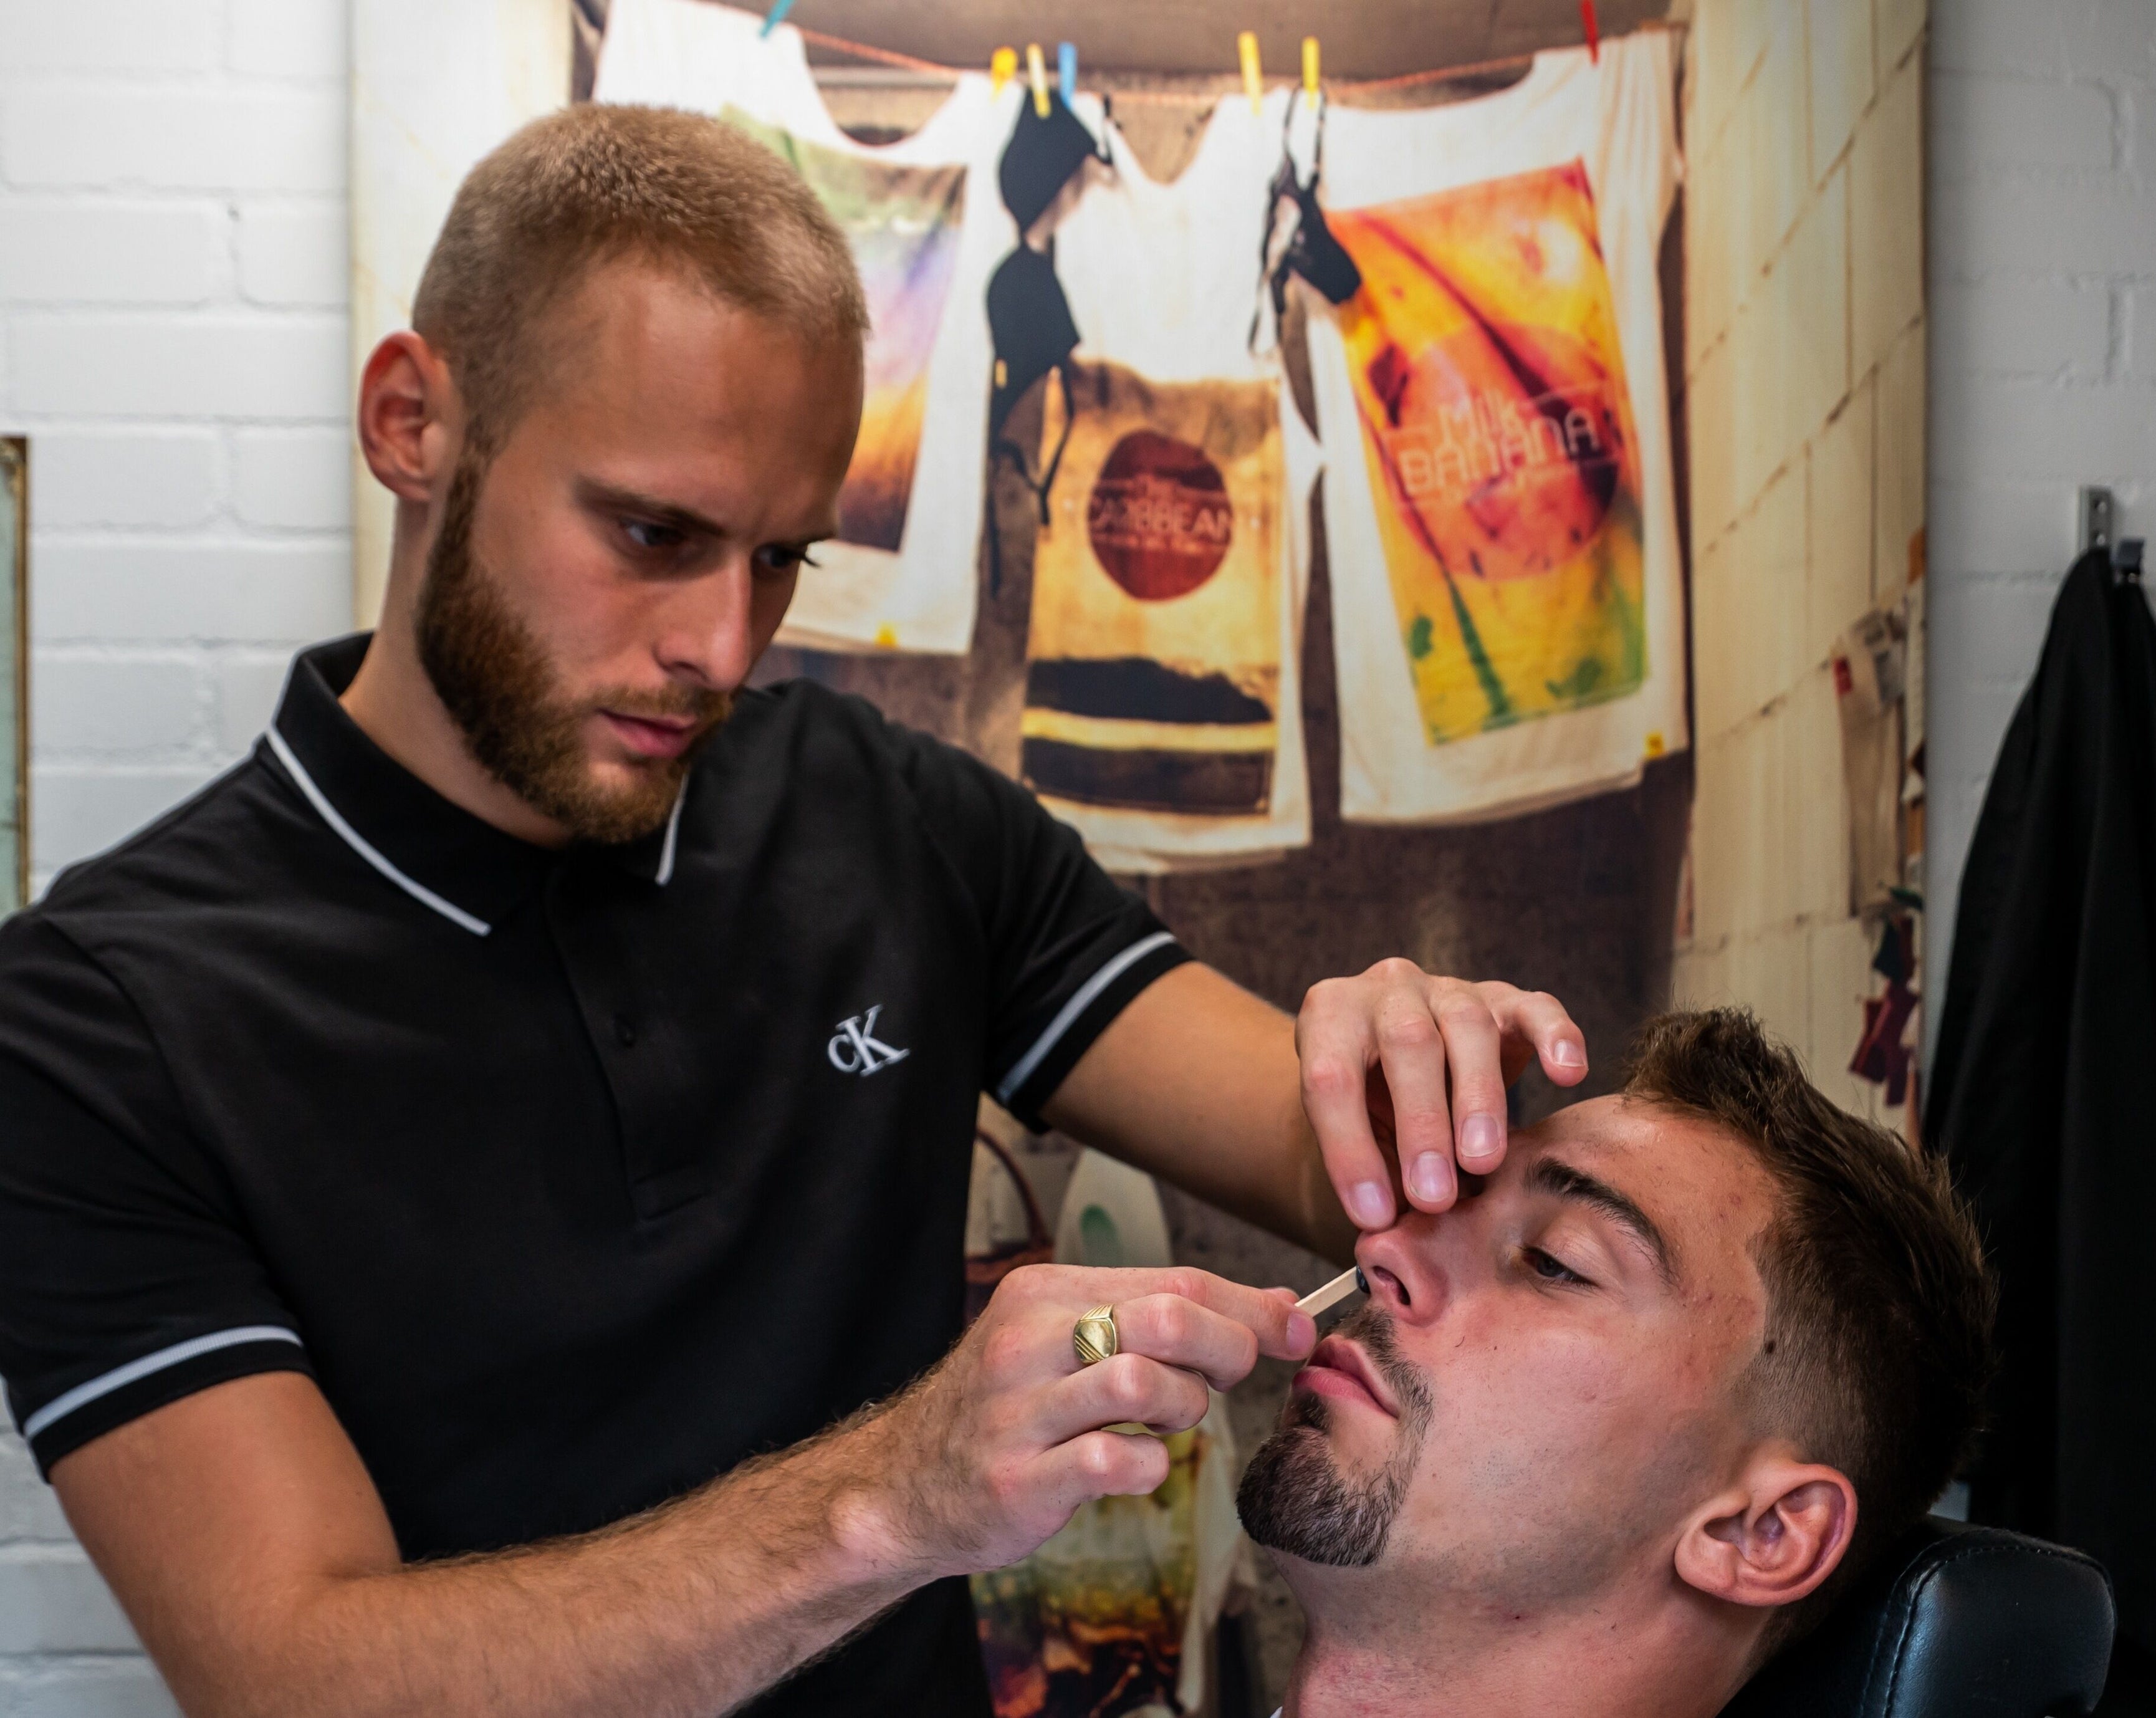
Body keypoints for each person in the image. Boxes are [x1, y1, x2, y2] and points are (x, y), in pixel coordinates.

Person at [0, 107, 1591, 1718]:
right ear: (413, 421)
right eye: (653, 534)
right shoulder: (101, 1019)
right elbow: (291, 1676)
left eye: (779, 557)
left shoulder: (894, 817)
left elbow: (1360, 1170)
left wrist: (1415, 1067)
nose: (721, 641)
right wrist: (893, 1495)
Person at [1238, 1007, 1998, 1718]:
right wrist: (1107, 1341)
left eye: (1553, 1260)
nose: (1383, 1249)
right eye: (1437, 1203)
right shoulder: (1105, 1345)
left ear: (1758, 1530)